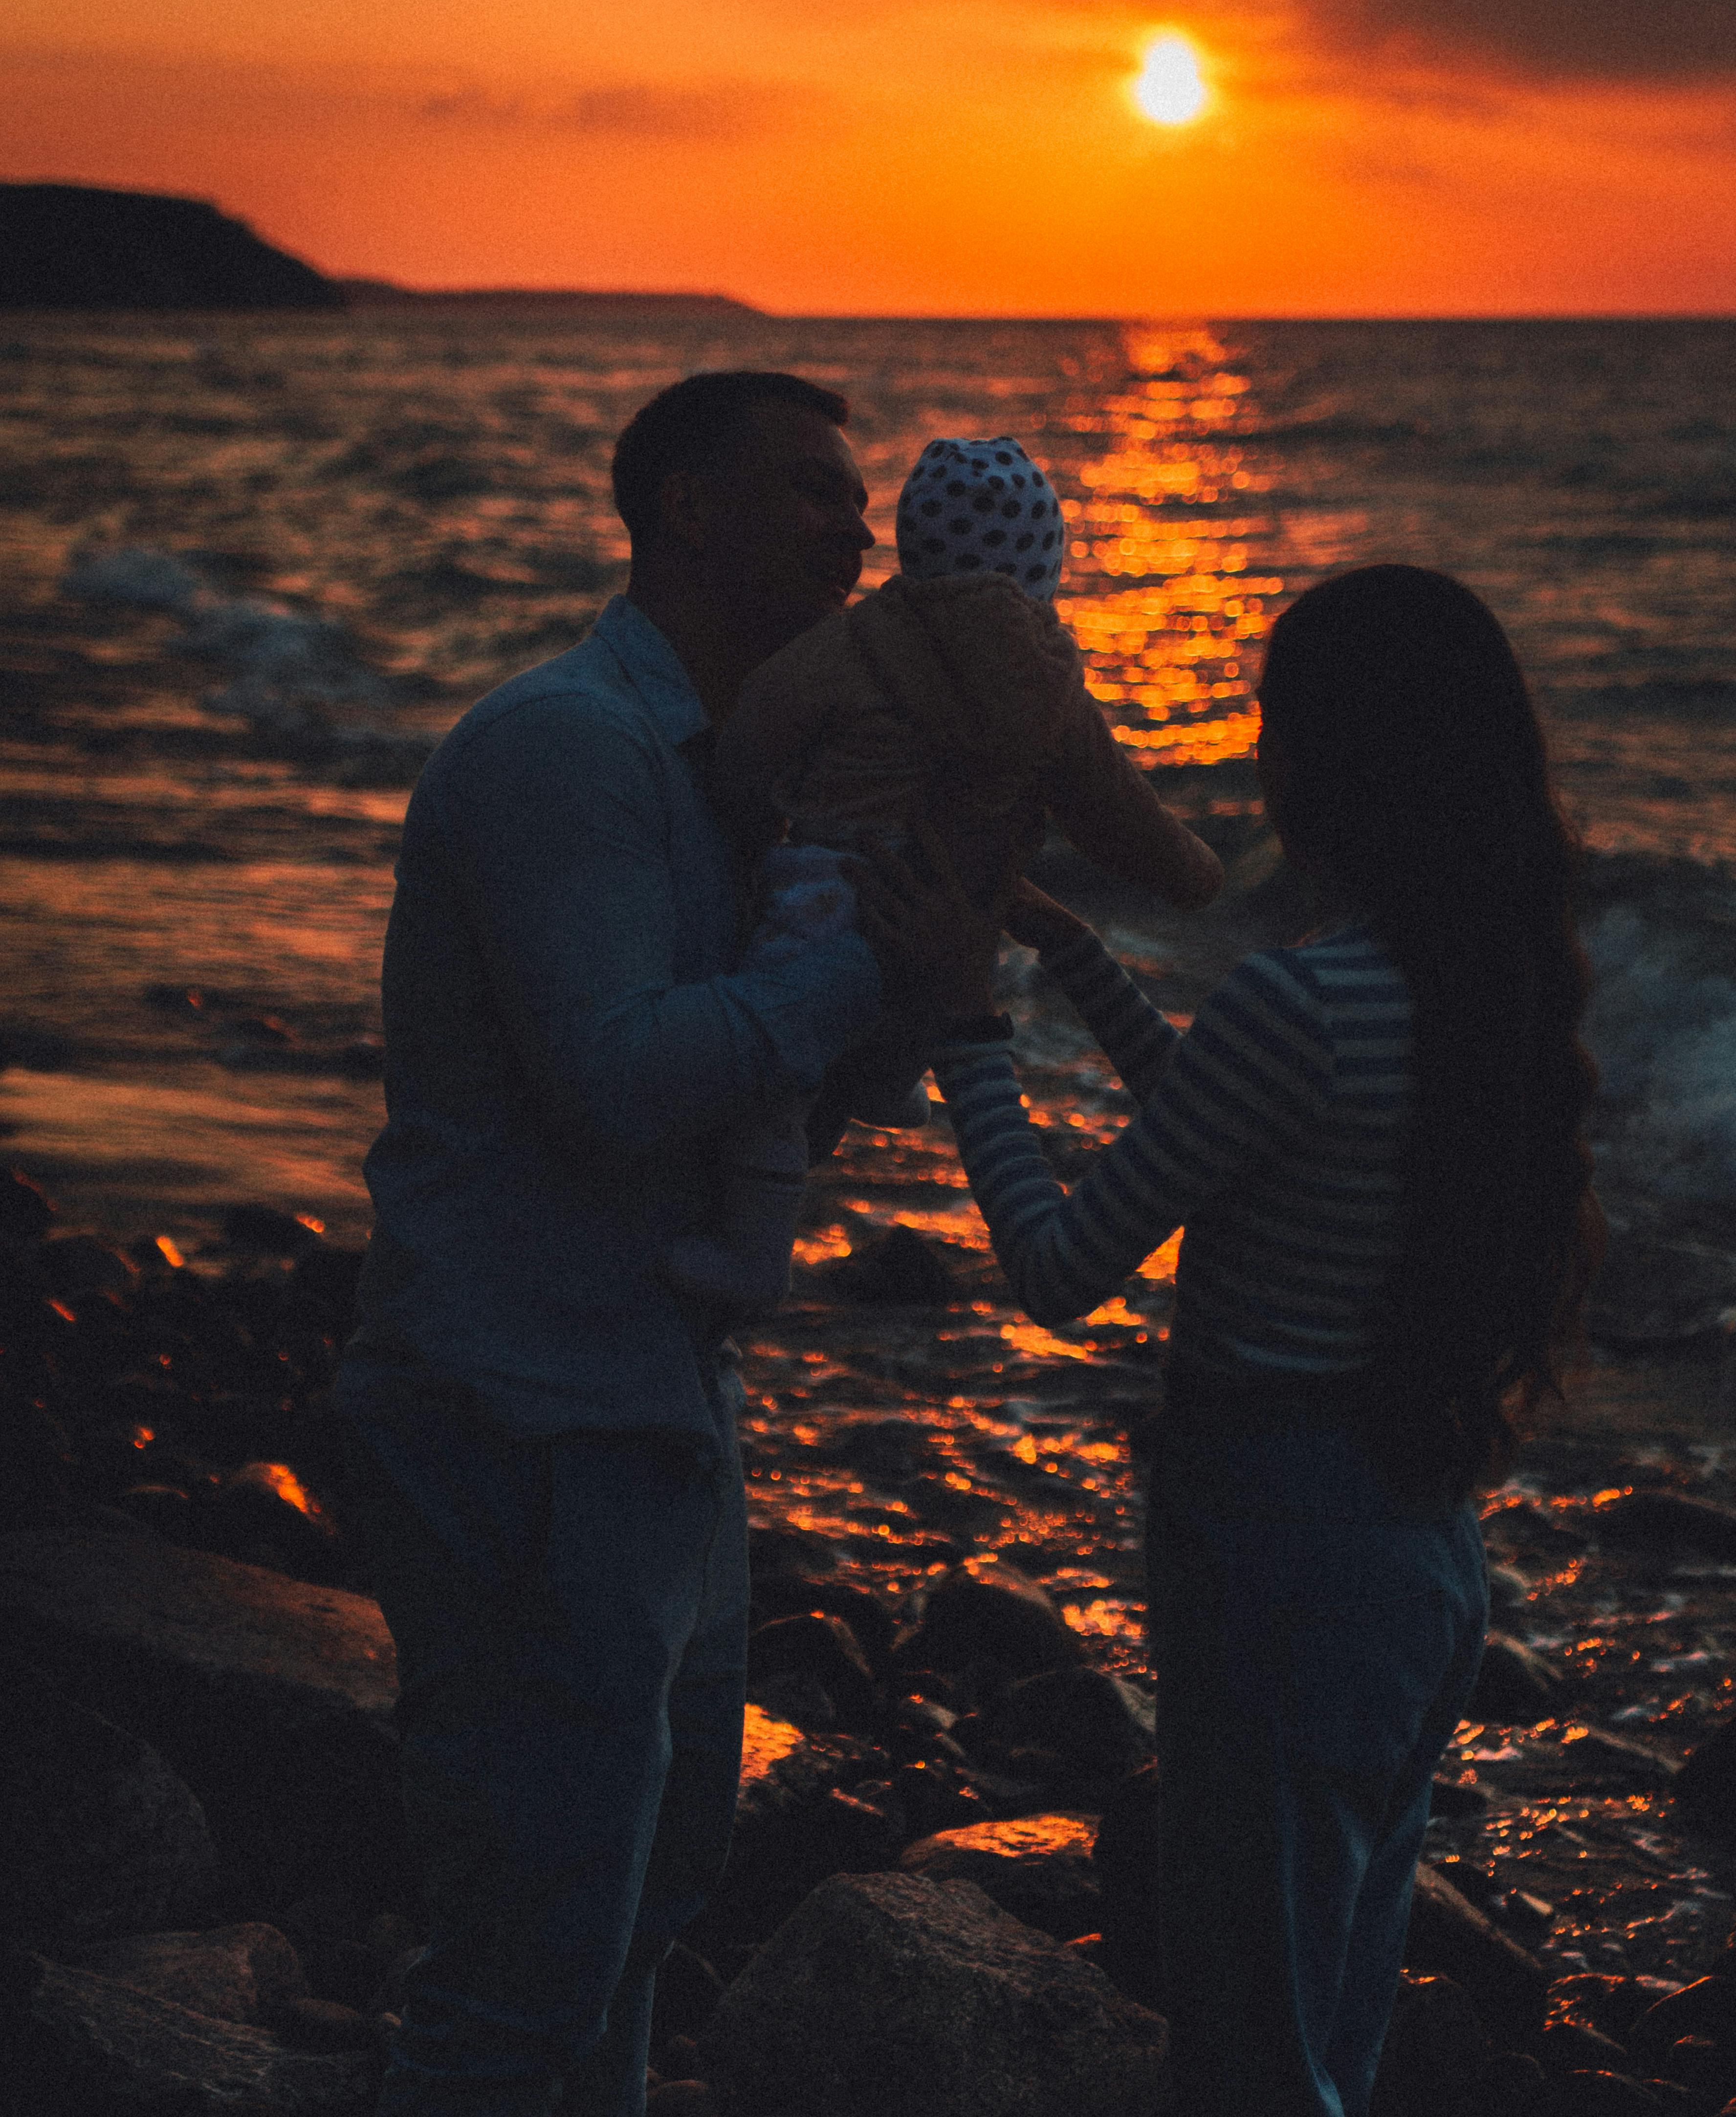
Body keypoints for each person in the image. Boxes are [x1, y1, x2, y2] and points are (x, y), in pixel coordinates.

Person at [857, 565, 1602, 2117]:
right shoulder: (1481, 989)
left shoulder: (1298, 1001)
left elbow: (1065, 1267)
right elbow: (1241, 1132)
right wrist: (1068, 957)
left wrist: (962, 1020)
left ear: (1330, 759)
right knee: (1332, 2022)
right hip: (1420, 1540)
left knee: (1250, 2057)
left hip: (1278, 1550)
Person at [334, 370, 886, 2117]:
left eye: (855, 495)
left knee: (645, 1911)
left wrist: (918, 967)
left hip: (656, 1417)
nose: (853, 523)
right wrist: (854, 973)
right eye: (808, 489)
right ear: (682, 510)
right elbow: (615, 1084)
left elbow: (749, 1108)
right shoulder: (559, 745)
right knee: (522, 1973)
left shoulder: (739, 789)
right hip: (516, 1417)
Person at [661, 435, 1222, 1310]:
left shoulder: (857, 640)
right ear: (1047, 561)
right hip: (956, 906)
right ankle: (891, 1069)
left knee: (778, 1081)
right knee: (908, 1009)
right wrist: (1200, 875)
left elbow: (757, 733)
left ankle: (753, 1252)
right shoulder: (1050, 685)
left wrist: (743, 808)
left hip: (833, 882)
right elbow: (1123, 817)